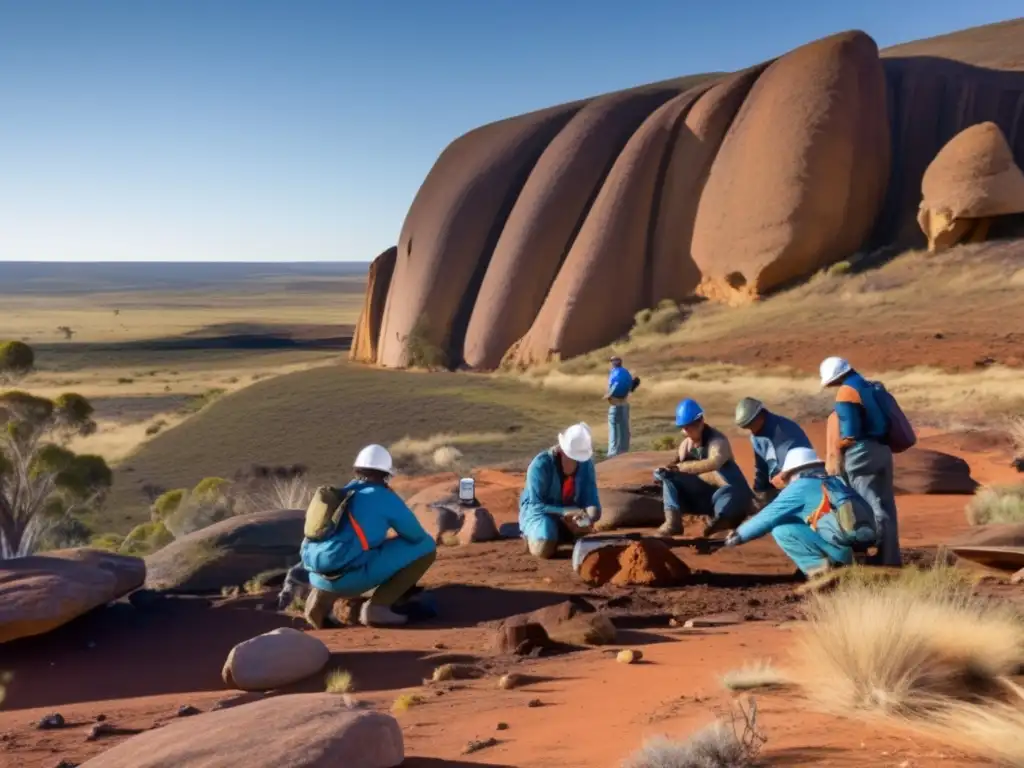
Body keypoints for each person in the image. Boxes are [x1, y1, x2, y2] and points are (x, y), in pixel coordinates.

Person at [300, 444, 437, 628]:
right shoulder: (383, 497)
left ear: (357, 469)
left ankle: (317, 603)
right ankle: (378, 609)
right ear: (386, 473)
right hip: (350, 580)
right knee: (426, 546)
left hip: (316, 574)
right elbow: (415, 535)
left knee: (340, 548)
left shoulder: (344, 493)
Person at [723, 447, 877, 577]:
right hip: (862, 542)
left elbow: (767, 517)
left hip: (841, 549)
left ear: (793, 471)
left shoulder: (800, 487)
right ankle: (856, 558)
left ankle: (819, 570)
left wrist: (737, 536)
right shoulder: (835, 481)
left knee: (780, 529)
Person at [819, 356, 901, 567]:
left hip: (861, 453)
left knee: (866, 505)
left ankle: (869, 558)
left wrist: (838, 446)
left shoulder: (846, 392)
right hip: (882, 449)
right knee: (885, 505)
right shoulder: (870, 386)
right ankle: (889, 557)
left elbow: (851, 433)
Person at [654, 399, 754, 537]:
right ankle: (673, 523)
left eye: (689, 427)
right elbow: (673, 466)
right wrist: (665, 471)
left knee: (728, 500)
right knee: (669, 477)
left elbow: (714, 463)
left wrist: (682, 467)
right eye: (683, 427)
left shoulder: (718, 441)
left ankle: (724, 523)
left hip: (726, 491)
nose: (686, 431)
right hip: (703, 495)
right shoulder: (685, 445)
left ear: (700, 422)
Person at [519, 423, 602, 559]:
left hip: (572, 515)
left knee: (586, 532)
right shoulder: (541, 465)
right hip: (541, 514)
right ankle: (533, 536)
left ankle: (567, 534)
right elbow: (536, 505)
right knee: (544, 544)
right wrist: (564, 511)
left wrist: (589, 517)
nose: (576, 462)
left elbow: (591, 498)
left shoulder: (586, 464)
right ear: (562, 450)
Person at [734, 397, 813, 508]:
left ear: (760, 416)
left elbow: (798, 467)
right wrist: (759, 490)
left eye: (751, 424)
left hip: (801, 483)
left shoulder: (783, 432)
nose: (750, 430)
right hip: (777, 485)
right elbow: (762, 467)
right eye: (747, 427)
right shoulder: (756, 437)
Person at [605, 356, 639, 457]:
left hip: (616, 406)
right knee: (624, 429)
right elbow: (630, 387)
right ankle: (624, 452)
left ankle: (613, 454)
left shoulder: (614, 373)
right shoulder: (626, 372)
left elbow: (612, 387)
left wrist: (609, 396)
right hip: (625, 405)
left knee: (614, 429)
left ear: (613, 363)